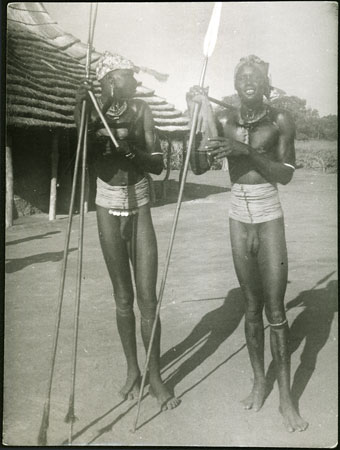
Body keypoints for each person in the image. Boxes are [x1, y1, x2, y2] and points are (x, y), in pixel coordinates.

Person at [186, 55, 308, 432]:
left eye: (255, 76)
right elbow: (199, 168)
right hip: (238, 218)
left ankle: (286, 400)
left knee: (275, 309)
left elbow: (285, 175)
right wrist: (194, 118)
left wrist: (246, 152)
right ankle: (259, 384)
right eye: (242, 77)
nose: (248, 81)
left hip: (269, 217)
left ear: (266, 80)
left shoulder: (280, 120)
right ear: (236, 85)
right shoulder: (224, 120)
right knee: (251, 306)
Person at [74, 52, 180, 411]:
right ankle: (133, 370)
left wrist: (135, 154)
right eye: (124, 77)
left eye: (132, 77)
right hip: (106, 203)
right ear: (108, 81)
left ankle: (156, 377)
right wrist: (84, 105)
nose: (133, 82)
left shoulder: (141, 111)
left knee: (147, 299)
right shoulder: (92, 110)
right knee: (123, 298)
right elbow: (80, 151)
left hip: (138, 202)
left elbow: (158, 162)